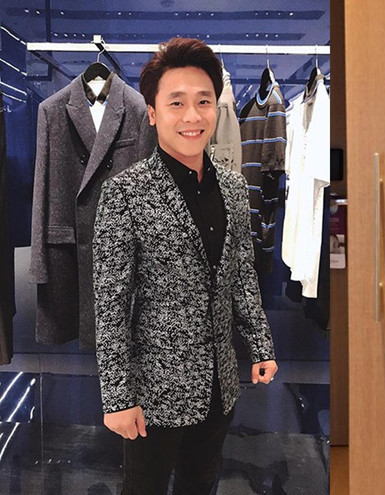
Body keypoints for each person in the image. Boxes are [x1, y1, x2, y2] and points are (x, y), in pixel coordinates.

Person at [93, 37, 278, 494]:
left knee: (202, 482)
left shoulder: (232, 187)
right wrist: (117, 398)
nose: (192, 116)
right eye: (176, 103)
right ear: (153, 113)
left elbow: (241, 272)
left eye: (203, 101)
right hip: (153, 391)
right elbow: (111, 306)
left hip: (219, 383)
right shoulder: (125, 193)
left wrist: (260, 345)